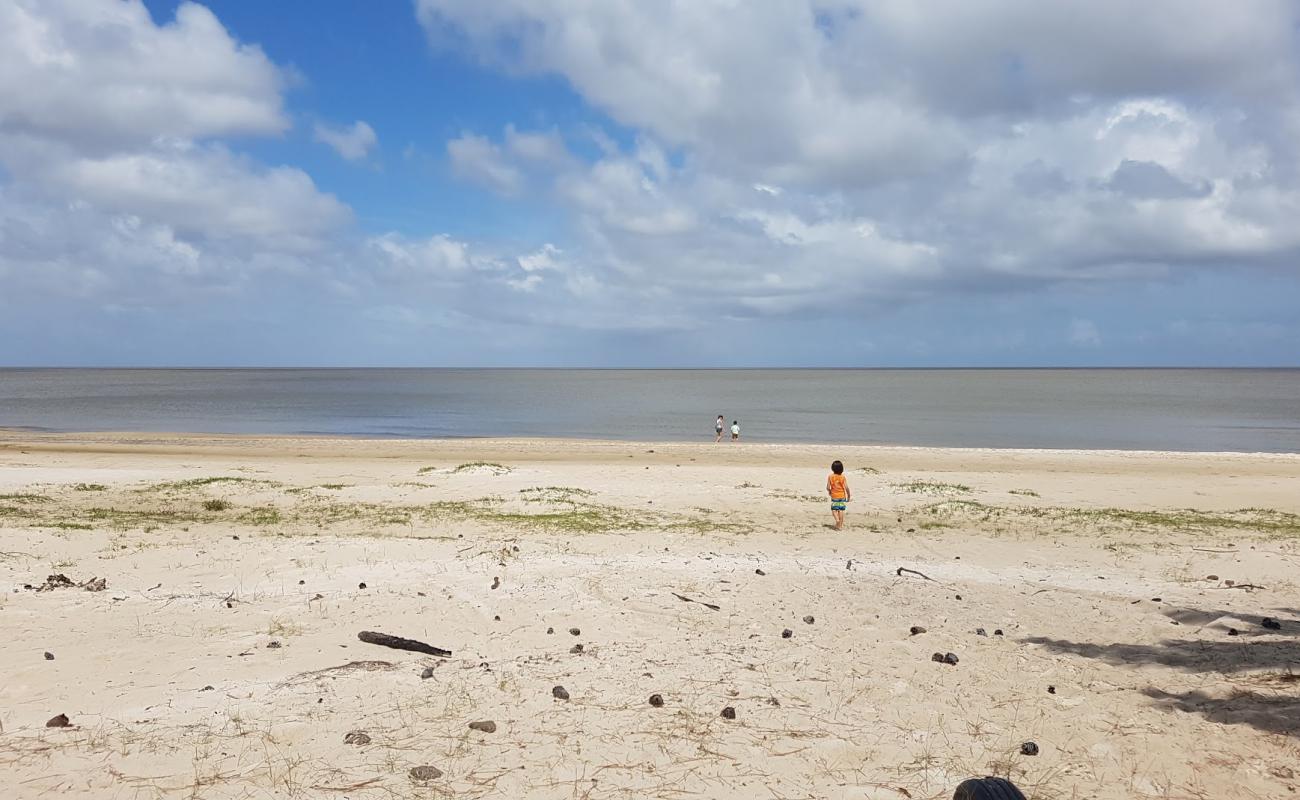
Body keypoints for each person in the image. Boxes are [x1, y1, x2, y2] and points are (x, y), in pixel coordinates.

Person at [827, 460, 850, 530]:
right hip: (842, 496)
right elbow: (846, 487)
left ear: (832, 468)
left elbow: (828, 487)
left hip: (835, 496)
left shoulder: (830, 476)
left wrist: (830, 491)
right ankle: (840, 526)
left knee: (834, 510)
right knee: (841, 510)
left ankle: (837, 520)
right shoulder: (842, 477)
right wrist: (849, 495)